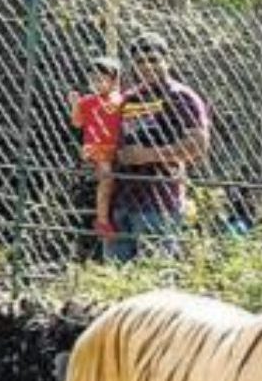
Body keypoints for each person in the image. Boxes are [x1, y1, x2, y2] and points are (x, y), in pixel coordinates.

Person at [109, 33, 211, 262]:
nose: (147, 66)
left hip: (159, 200)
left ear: (167, 60)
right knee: (115, 275)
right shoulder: (127, 99)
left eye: (153, 59)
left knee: (154, 273)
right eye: (141, 61)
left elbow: (198, 145)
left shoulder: (181, 97)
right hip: (122, 198)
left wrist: (148, 155)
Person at [69, 56, 123, 244]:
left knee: (115, 181)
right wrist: (75, 105)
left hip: (116, 148)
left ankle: (109, 216)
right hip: (96, 148)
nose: (96, 84)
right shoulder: (88, 101)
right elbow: (77, 123)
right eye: (93, 80)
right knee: (107, 179)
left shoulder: (121, 100)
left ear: (114, 80)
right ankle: (102, 221)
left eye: (101, 79)